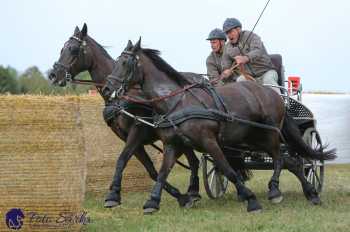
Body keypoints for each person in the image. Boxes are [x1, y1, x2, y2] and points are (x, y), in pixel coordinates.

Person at [221, 17, 280, 93]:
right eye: (227, 33)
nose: (229, 35)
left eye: (231, 31)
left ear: (239, 29)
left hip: (266, 72)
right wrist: (226, 72)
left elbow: (258, 51)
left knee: (269, 81)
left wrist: (246, 58)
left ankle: (282, 103)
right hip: (249, 77)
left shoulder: (251, 36)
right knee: (239, 81)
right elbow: (225, 63)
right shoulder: (227, 48)